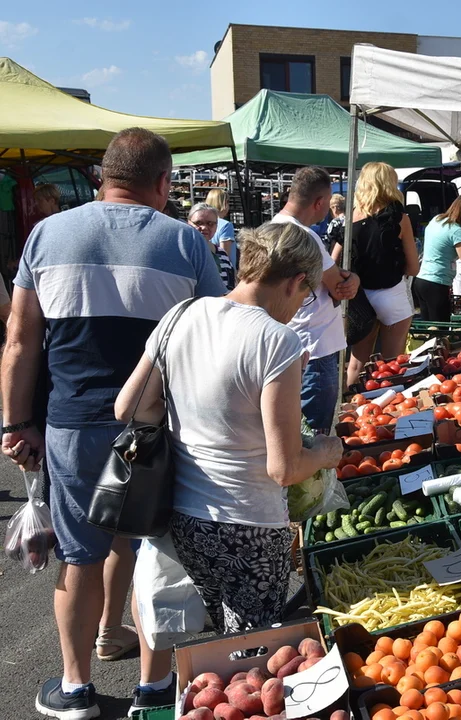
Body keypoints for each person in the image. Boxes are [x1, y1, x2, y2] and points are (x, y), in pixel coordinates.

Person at [2, 128, 226, 718]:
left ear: (102, 175)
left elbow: (21, 342)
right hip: (160, 426)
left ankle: (75, 687)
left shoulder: (47, 235)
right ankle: (153, 689)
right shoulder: (185, 243)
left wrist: (13, 424)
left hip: (71, 424)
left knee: (79, 555)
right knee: (156, 549)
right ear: (161, 182)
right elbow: (212, 340)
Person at [116, 221, 343, 699]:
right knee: (255, 666)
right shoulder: (275, 341)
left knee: (224, 646)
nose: (300, 307)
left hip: (184, 515)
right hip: (249, 525)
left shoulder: (181, 314)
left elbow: (129, 408)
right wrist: (326, 452)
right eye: (305, 297)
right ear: (296, 281)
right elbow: (284, 468)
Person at [274, 167, 360, 430]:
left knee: (294, 427)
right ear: (320, 202)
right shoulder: (305, 236)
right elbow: (338, 287)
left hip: (287, 343)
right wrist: (352, 278)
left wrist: (344, 277)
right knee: (313, 432)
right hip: (316, 345)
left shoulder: (270, 228)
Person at [335, 162, 418, 385]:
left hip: (358, 296)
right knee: (392, 363)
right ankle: (383, 413)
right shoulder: (400, 218)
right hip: (391, 294)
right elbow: (413, 267)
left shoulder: (351, 217)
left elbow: (334, 260)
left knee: (355, 363)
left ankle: (349, 406)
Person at [415, 193, 461, 321]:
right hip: (437, 284)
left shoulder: (437, 220)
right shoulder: (457, 231)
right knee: (440, 329)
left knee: (429, 328)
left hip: (421, 280)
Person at [205, 188, 236, 267]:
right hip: (223, 270)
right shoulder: (226, 226)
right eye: (228, 202)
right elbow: (225, 255)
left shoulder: (203, 224)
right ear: (223, 203)